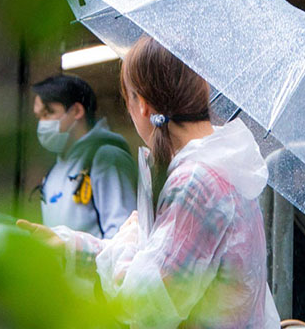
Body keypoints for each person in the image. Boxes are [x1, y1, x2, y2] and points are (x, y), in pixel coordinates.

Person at [21, 36, 280, 329]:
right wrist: (69, 246)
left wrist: (129, 237)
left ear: (142, 105)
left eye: (128, 99)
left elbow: (145, 304)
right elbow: (158, 263)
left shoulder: (196, 183)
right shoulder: (218, 164)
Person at [32, 74, 136, 239]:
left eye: (48, 113)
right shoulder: (55, 169)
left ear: (77, 111)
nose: (42, 124)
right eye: (39, 117)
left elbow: (123, 237)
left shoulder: (107, 158)